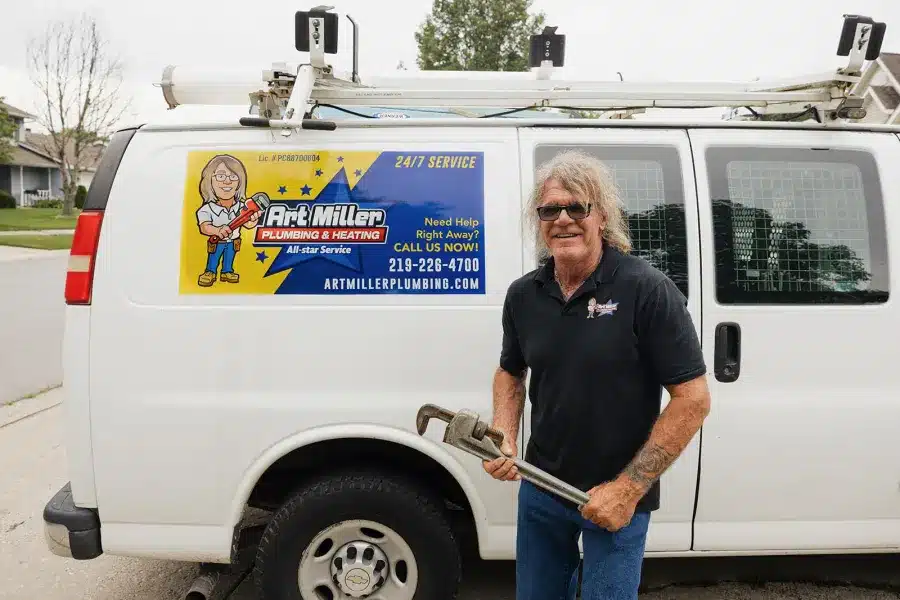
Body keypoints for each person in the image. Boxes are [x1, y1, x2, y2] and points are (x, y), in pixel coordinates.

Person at [484, 150, 711, 600]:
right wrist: (503, 434)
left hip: (615, 494)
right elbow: (510, 372)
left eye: (577, 207)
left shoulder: (647, 289)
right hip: (541, 486)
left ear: (602, 216)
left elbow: (694, 398)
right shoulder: (524, 295)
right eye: (550, 210)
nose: (562, 219)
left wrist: (629, 489)